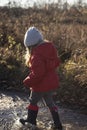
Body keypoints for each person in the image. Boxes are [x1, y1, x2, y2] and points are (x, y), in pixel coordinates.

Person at [20, 27, 63, 130]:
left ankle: (31, 122)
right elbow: (56, 62)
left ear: (30, 46)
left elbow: (38, 74)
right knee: (50, 103)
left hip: (40, 85)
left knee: (33, 101)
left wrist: (27, 81)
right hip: (51, 84)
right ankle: (57, 124)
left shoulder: (37, 55)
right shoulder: (50, 49)